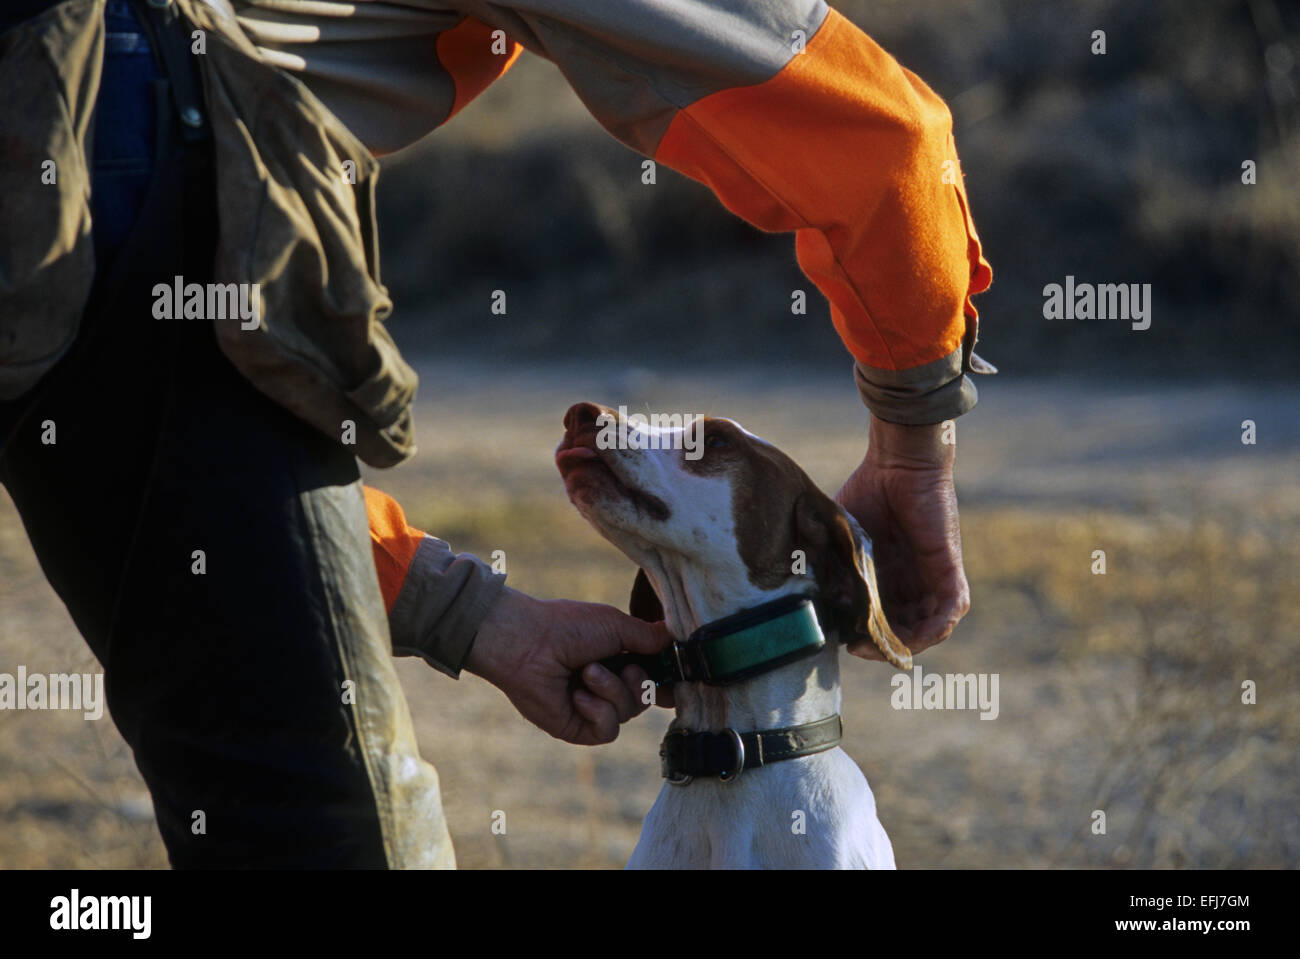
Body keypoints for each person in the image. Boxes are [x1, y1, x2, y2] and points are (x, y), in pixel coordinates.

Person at [0, 0, 991, 867]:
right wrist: (913, 439)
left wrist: (475, 617)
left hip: (60, 161)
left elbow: (214, 501)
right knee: (327, 830)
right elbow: (881, 138)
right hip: (109, 125)